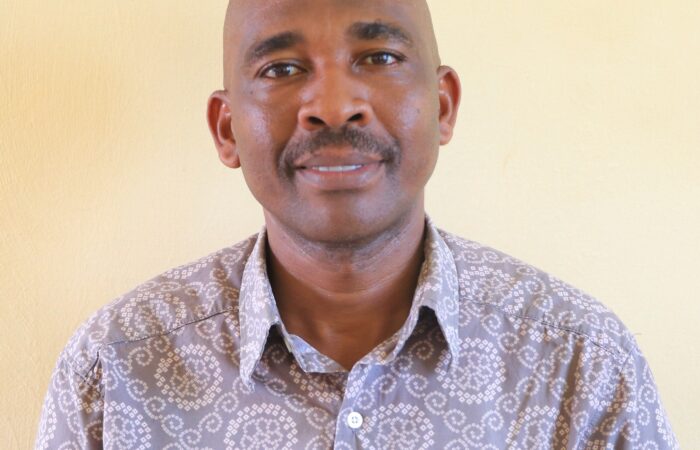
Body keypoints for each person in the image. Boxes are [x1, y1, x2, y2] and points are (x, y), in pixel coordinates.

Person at [36, 0, 678, 448]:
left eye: (379, 56)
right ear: (227, 129)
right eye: (281, 69)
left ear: (443, 107)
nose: (335, 106)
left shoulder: (580, 363)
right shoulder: (115, 370)